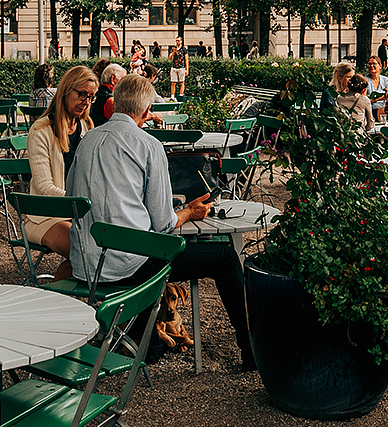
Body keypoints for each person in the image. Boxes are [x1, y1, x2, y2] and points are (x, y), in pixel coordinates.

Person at [68, 74, 255, 370]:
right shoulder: (148, 144)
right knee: (226, 258)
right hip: (130, 265)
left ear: (114, 103)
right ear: (145, 111)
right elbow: (163, 224)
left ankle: (148, 344)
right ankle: (251, 350)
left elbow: (72, 198)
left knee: (149, 252)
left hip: (86, 265)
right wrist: (189, 213)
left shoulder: (87, 139)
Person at [25, 65, 98, 280]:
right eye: (81, 94)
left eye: (91, 97)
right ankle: (60, 302)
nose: (86, 101)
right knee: (86, 253)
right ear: (66, 90)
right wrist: (82, 202)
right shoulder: (41, 130)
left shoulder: (86, 125)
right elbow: (43, 187)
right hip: (44, 214)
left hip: (79, 213)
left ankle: (60, 294)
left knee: (109, 247)